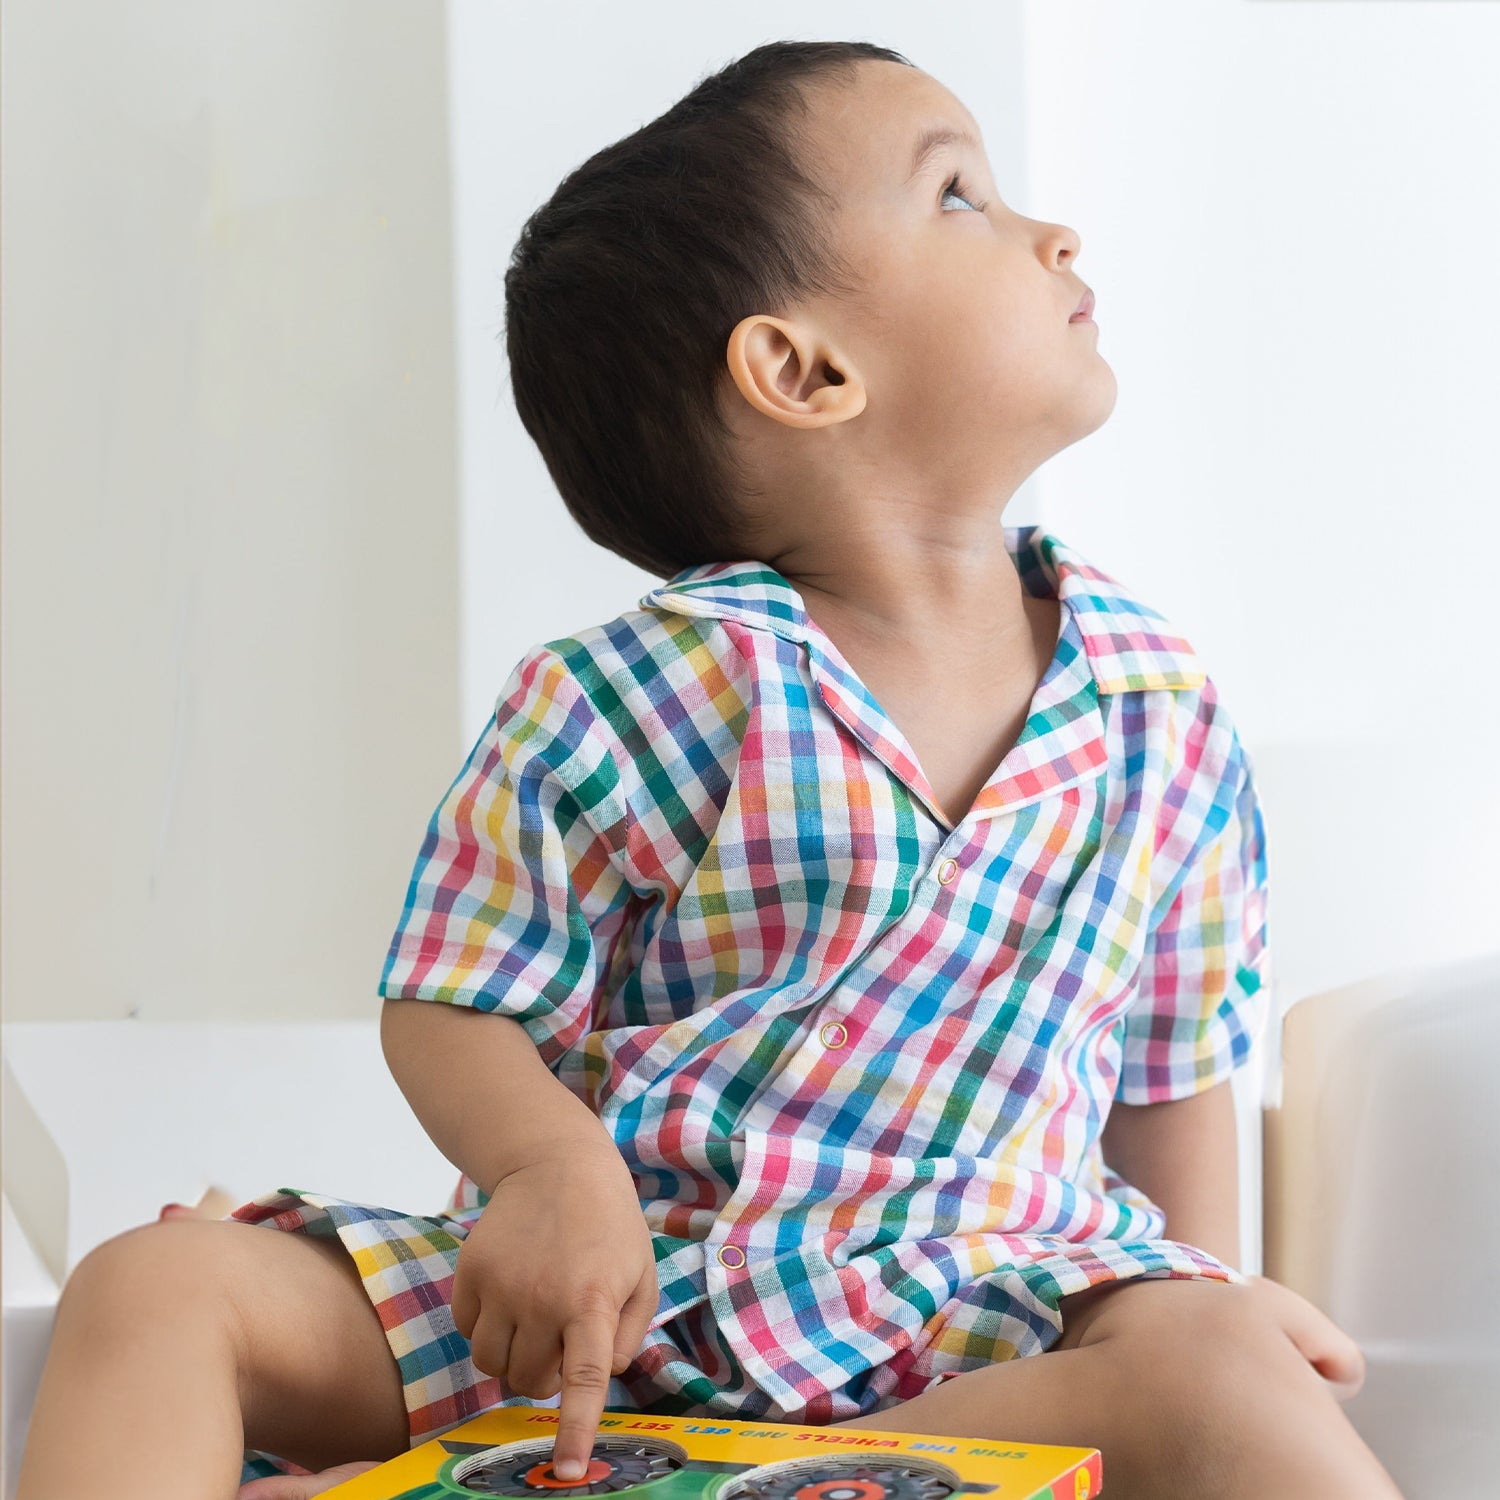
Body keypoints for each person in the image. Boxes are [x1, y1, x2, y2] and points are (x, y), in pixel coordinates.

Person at [15, 39, 1405, 1500]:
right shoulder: (638, 689)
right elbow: (455, 1000)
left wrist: (1196, 1297)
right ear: (803, 370)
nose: (1052, 231)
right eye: (959, 198)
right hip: (612, 1318)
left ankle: (748, 1477)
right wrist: (557, 1176)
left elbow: (1170, 1078)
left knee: (1228, 1370)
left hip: (980, 1343)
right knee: (158, 1288)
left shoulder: (1160, 712)